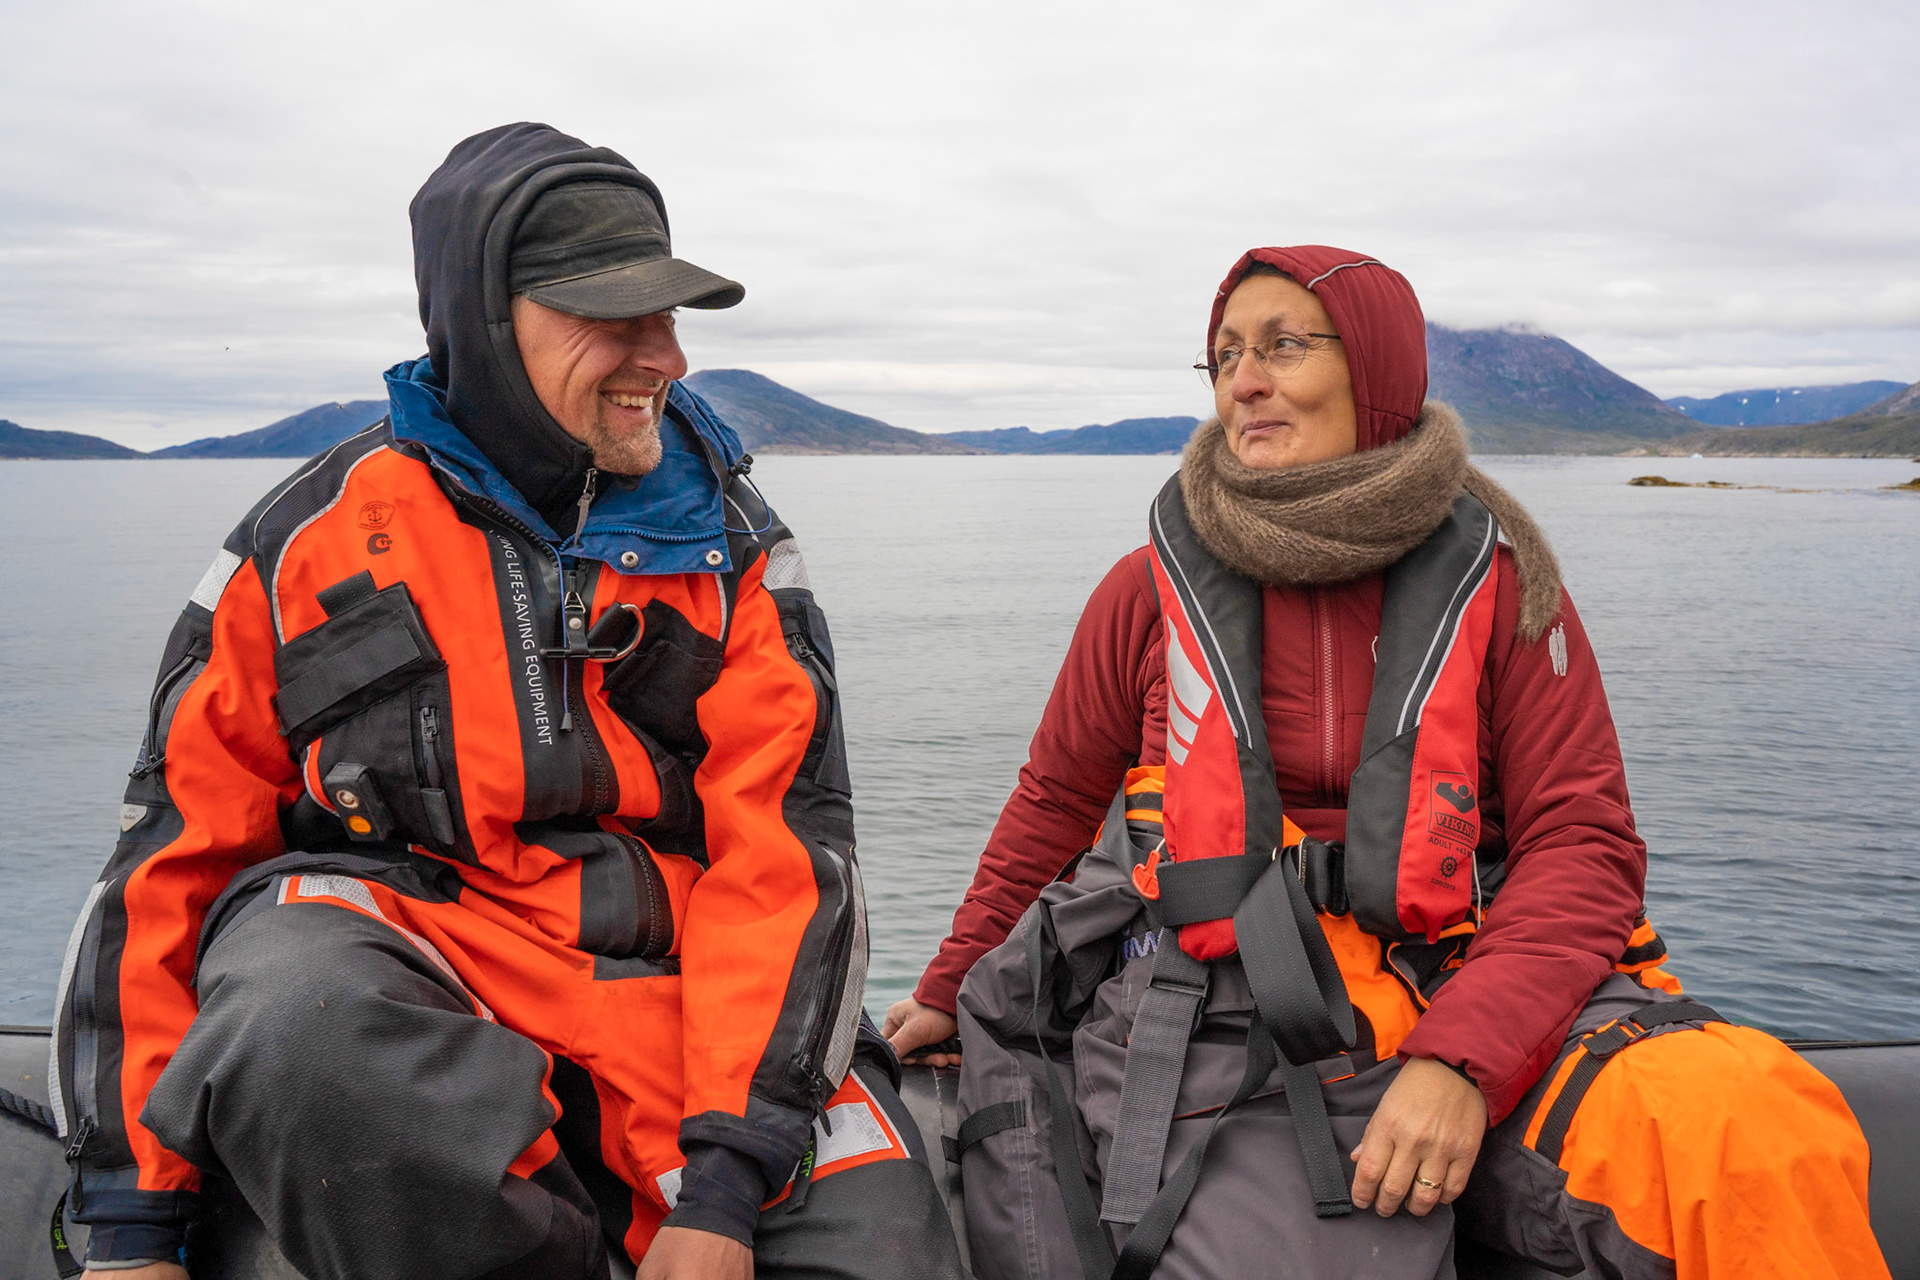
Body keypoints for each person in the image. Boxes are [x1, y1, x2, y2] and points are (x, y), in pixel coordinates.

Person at [52, 122, 964, 1280]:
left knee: (886, 1252)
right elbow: (168, 863)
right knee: (294, 1020)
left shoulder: (737, 551)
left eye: (669, 316)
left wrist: (730, 1177)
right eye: (615, 316)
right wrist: (130, 1227)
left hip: (685, 1010)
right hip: (421, 972)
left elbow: (786, 857)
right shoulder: (301, 548)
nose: (665, 356)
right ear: (484, 322)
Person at [885, 246, 1888, 1277]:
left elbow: (1581, 844)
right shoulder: (1145, 594)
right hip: (1239, 1012)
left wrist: (1464, 1058)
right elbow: (1055, 800)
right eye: (1225, 355)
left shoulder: (1502, 587)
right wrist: (953, 975)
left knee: (1753, 1133)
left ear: (1379, 371)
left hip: (1485, 969)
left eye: (1283, 345)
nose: (1245, 380)